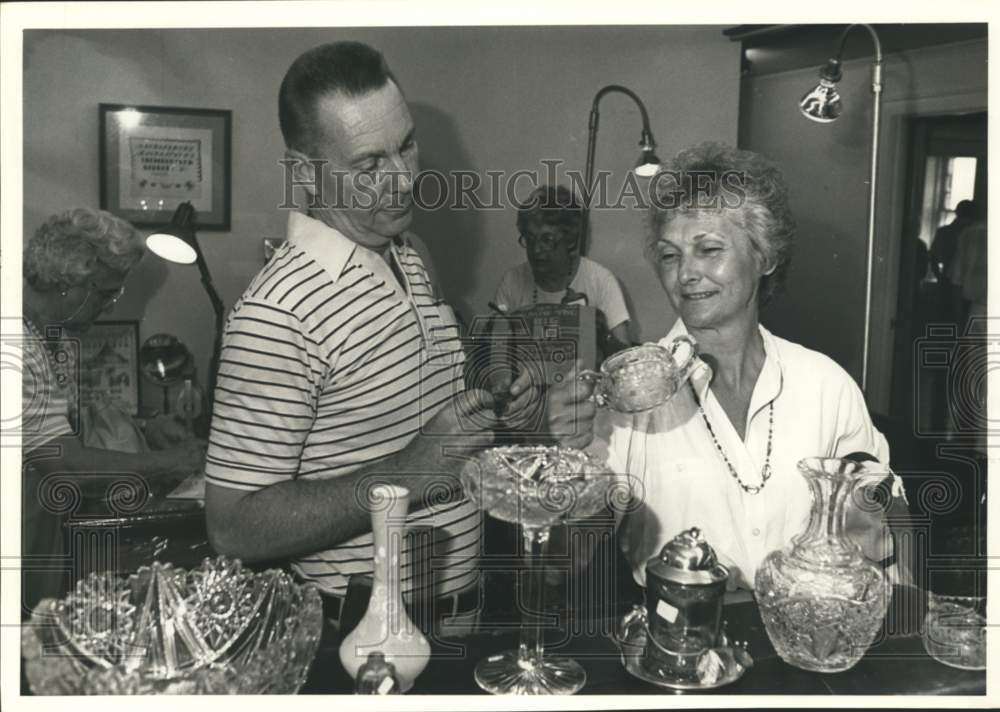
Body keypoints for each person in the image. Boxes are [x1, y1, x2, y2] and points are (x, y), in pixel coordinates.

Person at [204, 41, 531, 632]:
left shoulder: (411, 254)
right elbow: (233, 528)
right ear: (305, 173)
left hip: (460, 617)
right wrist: (407, 474)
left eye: (406, 145)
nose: (403, 180)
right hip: (359, 638)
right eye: (369, 166)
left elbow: (422, 419)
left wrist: (501, 402)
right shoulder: (276, 315)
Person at [573, 143, 909, 592]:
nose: (685, 274)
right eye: (670, 256)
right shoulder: (629, 397)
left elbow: (885, 539)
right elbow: (565, 561)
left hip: (806, 629)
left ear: (764, 256)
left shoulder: (826, 386)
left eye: (709, 249)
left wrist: (873, 525)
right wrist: (564, 457)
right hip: (678, 631)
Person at [20, 207, 205, 609]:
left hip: (43, 535)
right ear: (65, 281)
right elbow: (65, 466)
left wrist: (145, 426)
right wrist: (168, 462)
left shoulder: (57, 336)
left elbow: (60, 420)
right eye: (106, 293)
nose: (110, 306)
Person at [494, 185, 632, 357]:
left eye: (547, 240)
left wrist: (603, 336)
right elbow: (496, 355)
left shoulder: (601, 281)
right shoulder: (512, 282)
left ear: (571, 240)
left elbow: (626, 359)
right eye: (530, 239)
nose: (536, 250)